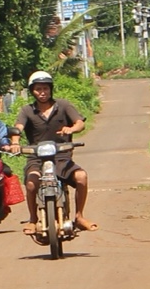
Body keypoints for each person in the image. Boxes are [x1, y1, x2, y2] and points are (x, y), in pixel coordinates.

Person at [9, 70, 97, 234]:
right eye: (38, 89)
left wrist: (71, 129)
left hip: (61, 158)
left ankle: (79, 217)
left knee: (81, 177)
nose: (42, 92)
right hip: (36, 159)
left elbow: (80, 123)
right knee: (31, 183)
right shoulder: (27, 110)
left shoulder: (63, 105)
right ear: (32, 91)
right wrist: (15, 142)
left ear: (51, 89)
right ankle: (33, 219)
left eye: (45, 88)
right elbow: (18, 127)